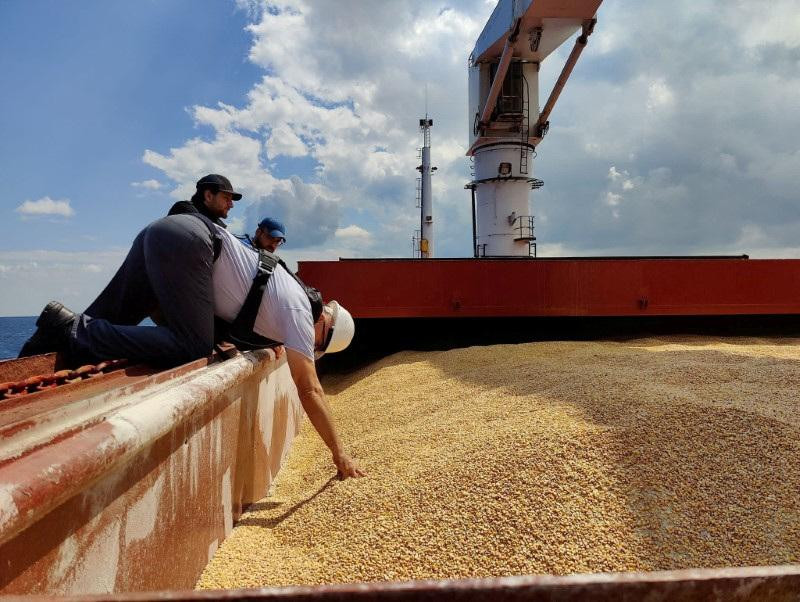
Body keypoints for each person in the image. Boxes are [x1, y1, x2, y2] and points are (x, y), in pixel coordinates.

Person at [19, 174, 364, 478]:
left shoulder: (287, 295)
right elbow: (310, 390)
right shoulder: (301, 313)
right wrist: (340, 454)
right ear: (324, 324)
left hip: (164, 233)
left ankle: (52, 340)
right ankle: (69, 326)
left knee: (109, 323)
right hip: (193, 243)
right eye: (319, 344)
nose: (311, 348)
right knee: (192, 345)